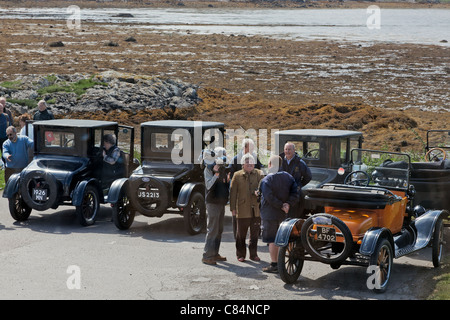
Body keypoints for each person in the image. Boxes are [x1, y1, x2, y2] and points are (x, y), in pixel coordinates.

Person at [259, 155, 298, 273]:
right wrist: (287, 204)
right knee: (281, 238)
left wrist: (281, 205)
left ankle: (274, 264)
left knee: (272, 240)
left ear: (270, 164)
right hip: (283, 213)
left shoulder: (266, 179)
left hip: (270, 213)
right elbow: (295, 193)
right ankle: (280, 263)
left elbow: (269, 197)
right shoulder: (289, 177)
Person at [229, 153, 264, 262]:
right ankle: (240, 255)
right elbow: (233, 193)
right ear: (243, 164)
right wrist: (233, 208)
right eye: (247, 162)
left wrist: (259, 192)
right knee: (241, 234)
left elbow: (264, 187)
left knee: (254, 234)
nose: (250, 164)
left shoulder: (259, 173)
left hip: (256, 210)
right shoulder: (237, 175)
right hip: (242, 209)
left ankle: (253, 255)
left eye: (251, 162)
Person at [228, 138, 263, 238]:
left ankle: (254, 237)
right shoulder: (236, 159)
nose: (253, 150)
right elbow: (230, 174)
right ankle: (237, 236)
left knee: (254, 218)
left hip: (253, 194)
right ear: (245, 147)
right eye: (251, 148)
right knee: (238, 217)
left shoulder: (254, 157)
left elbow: (260, 169)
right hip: (240, 193)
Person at [202, 147, 230, 265]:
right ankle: (207, 255)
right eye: (223, 154)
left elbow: (224, 183)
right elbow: (208, 185)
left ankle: (215, 253)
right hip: (212, 203)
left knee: (219, 229)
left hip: (221, 201)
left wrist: (226, 179)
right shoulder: (208, 169)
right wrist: (216, 174)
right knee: (212, 229)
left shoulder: (223, 167)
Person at [280, 142, 312, 218]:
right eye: (286, 149)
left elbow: (308, 176)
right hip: (281, 194)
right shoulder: (279, 161)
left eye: (289, 149)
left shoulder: (300, 163)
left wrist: (298, 185)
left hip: (294, 195)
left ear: (294, 150)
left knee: (293, 217)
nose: (287, 151)